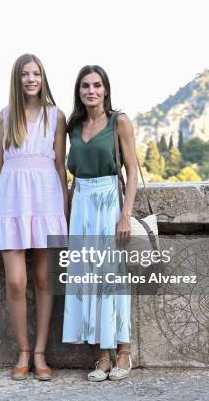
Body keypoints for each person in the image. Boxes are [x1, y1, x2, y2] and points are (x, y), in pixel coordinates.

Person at [0, 54, 68, 381]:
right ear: (16, 80)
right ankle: (22, 350)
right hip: (12, 201)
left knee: (45, 279)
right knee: (16, 280)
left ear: (43, 78)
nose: (31, 79)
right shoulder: (3, 118)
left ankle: (40, 353)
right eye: (25, 74)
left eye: (36, 74)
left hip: (46, 199)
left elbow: (61, 167)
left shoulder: (55, 116)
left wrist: (65, 212)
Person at [62, 65, 138, 381]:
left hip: (109, 202)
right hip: (81, 202)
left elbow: (132, 170)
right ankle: (103, 356)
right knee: (87, 277)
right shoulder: (74, 126)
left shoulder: (119, 121)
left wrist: (125, 215)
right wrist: (66, 216)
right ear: (78, 92)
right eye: (84, 86)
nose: (91, 91)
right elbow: (71, 175)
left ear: (105, 89)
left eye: (96, 85)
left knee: (112, 277)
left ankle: (124, 352)